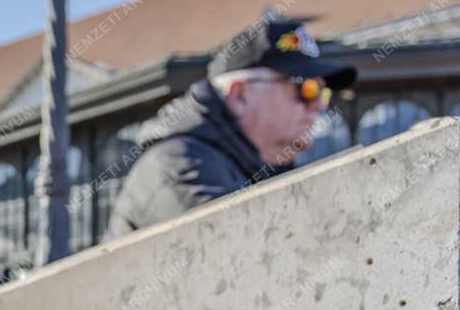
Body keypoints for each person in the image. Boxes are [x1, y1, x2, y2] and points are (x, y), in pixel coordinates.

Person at [107, 20, 357, 238]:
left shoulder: (256, 167)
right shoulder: (179, 165)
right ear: (239, 95)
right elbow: (250, 260)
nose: (318, 106)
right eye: (306, 89)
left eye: (323, 93)